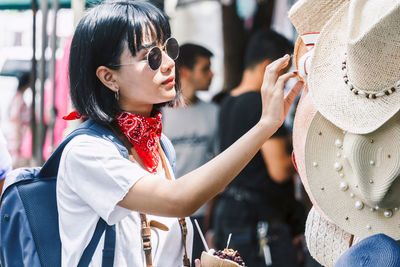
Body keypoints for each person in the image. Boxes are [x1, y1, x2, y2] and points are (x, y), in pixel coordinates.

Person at [60, 1, 302, 266]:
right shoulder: (87, 151)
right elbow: (179, 200)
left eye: (167, 48)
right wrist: (265, 126)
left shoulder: (159, 144)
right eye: (150, 56)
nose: (168, 63)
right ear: (109, 77)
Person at [212, 29, 304, 267]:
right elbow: (279, 170)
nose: (285, 85)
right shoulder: (259, 105)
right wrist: (309, 154)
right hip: (259, 222)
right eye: (284, 75)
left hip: (230, 216)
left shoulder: (228, 101)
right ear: (269, 66)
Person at [162, 43, 218, 265]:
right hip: (165, 213)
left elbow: (216, 164)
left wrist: (210, 219)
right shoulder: (159, 114)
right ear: (185, 72)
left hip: (201, 216)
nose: (212, 74)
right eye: (205, 68)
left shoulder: (214, 113)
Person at [8, 72, 32, 167]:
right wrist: (18, 139)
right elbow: (16, 119)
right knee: (16, 164)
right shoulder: (18, 99)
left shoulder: (18, 97)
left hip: (19, 135)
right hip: (17, 136)